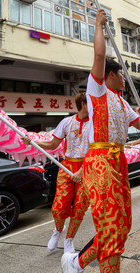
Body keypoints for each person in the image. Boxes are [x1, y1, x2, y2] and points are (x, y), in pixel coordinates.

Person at [61, 9, 140, 273]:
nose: (124, 78)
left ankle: (76, 263)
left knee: (121, 227)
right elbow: (99, 57)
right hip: (99, 162)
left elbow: (138, 125)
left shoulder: (121, 101)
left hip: (118, 162)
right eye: (121, 74)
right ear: (111, 75)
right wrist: (98, 25)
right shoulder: (97, 90)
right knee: (111, 227)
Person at [24, 92, 91, 253]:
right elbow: (53, 144)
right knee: (59, 207)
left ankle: (69, 239)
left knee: (80, 207)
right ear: (83, 104)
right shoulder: (66, 122)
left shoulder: (96, 124)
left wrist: (82, 171)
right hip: (67, 167)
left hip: (88, 168)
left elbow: (95, 151)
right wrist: (33, 142)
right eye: (92, 103)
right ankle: (58, 230)